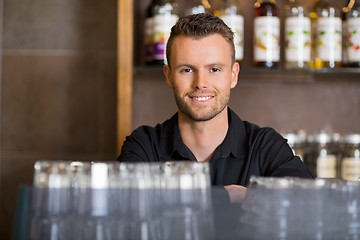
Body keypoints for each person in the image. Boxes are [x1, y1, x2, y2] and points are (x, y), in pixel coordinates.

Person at [118, 13, 313, 202]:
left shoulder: (265, 146)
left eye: (214, 69)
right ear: (168, 75)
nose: (201, 83)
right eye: (187, 70)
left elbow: (306, 200)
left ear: (233, 75)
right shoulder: (144, 145)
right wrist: (226, 195)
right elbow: (125, 204)